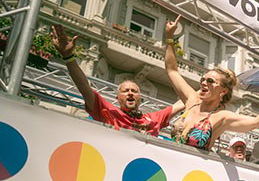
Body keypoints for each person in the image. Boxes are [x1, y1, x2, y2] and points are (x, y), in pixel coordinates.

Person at [49, 26, 177, 134]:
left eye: (134, 91)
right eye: (125, 91)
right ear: (117, 97)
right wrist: (68, 57)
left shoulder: (153, 119)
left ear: (140, 98)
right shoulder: (107, 111)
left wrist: (170, 38)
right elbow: (83, 86)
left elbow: (186, 100)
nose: (130, 93)